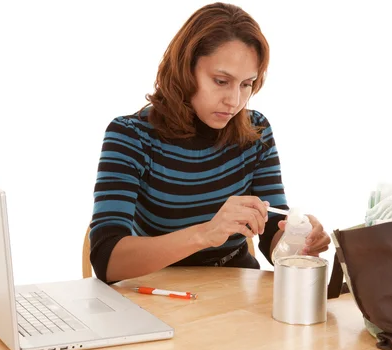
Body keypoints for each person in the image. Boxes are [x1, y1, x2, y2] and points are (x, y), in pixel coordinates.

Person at [89, 2, 331, 283]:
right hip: (158, 292)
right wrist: (205, 234)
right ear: (184, 69)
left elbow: (271, 235)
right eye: (220, 81)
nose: (234, 101)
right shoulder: (131, 136)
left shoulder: (256, 131)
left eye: (246, 84)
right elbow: (107, 260)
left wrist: (298, 241)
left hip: (236, 288)